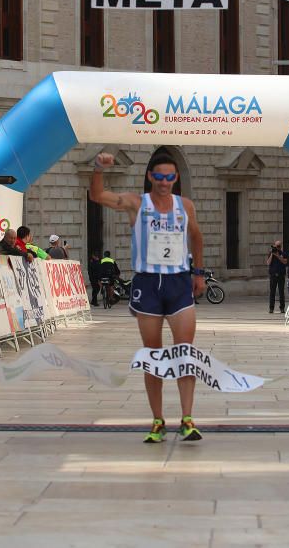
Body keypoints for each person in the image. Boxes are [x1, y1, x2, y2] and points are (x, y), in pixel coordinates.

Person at [90, 152, 206, 443]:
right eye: (160, 177)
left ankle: (188, 419)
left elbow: (197, 236)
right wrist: (98, 169)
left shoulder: (185, 206)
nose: (165, 183)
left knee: (184, 353)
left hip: (178, 283)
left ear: (175, 178)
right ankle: (157, 421)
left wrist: (199, 273)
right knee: (153, 355)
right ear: (151, 177)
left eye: (170, 177)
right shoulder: (136, 203)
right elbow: (97, 195)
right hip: (148, 284)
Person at [266, 240, 287, 313]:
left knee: (281, 292)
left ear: (281, 246)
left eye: (279, 246)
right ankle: (271, 308)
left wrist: (278, 255)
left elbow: (285, 262)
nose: (277, 248)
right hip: (273, 276)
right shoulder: (270, 253)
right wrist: (272, 254)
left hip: (281, 275)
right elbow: (268, 263)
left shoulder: (283, 253)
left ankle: (282, 308)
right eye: (276, 246)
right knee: (272, 292)